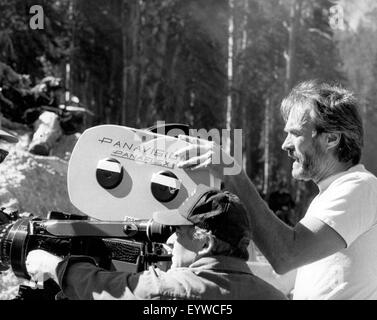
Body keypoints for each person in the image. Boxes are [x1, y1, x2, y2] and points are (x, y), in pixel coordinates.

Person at [174, 80, 377, 300]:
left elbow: (286, 255)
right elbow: (283, 277)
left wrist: (232, 173)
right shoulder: (334, 193)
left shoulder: (359, 186)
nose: (285, 144)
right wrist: (200, 263)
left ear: (332, 138)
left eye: (295, 133)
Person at [25, 184, 287, 300]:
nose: (171, 239)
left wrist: (53, 266)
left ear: (205, 243)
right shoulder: (274, 295)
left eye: (180, 232)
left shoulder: (176, 289)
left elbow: (107, 288)